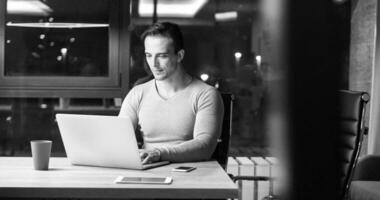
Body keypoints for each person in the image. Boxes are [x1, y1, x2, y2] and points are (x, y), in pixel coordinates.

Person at [118, 22, 224, 164]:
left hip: (191, 173)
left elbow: (205, 146)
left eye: (162, 56)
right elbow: (117, 138)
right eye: (149, 55)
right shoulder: (137, 93)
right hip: (147, 170)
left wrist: (158, 153)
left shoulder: (206, 94)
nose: (153, 64)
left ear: (179, 55)